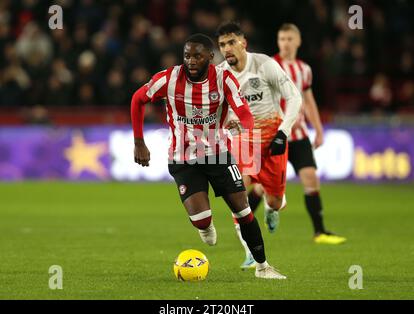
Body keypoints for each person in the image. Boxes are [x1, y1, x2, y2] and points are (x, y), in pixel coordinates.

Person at [131, 33, 286, 279]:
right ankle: (205, 225)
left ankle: (263, 267)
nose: (190, 61)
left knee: (243, 210)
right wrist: (139, 141)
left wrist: (243, 125)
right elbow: (138, 99)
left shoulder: (224, 79)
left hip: (218, 156)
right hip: (183, 160)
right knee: (202, 221)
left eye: (197, 56)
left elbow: (244, 112)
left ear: (210, 58)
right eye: (187, 56)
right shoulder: (169, 78)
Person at [248, 23, 347, 248]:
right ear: (277, 41)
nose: (285, 43)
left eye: (289, 38)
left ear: (298, 41)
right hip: (274, 136)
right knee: (262, 187)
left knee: (311, 179)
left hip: (299, 135)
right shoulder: (267, 65)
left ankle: (320, 232)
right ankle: (245, 224)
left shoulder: (305, 70)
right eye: (282, 39)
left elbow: (308, 100)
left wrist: (319, 130)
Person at [216, 22, 302, 269]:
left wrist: (283, 133)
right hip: (244, 139)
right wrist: (225, 126)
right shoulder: (220, 74)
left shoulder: (265, 65)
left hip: (273, 136)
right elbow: (218, 110)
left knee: (274, 200)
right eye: (222, 45)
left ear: (243, 42)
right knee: (238, 193)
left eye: (231, 42)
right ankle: (251, 253)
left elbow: (294, 97)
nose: (227, 48)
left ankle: (271, 206)